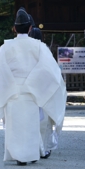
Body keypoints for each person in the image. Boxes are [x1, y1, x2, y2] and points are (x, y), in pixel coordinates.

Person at [0, 8, 67, 165]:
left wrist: (9, 87)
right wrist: (34, 84)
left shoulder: (6, 47)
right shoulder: (38, 46)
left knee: (14, 125)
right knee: (31, 124)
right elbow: (50, 70)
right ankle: (31, 153)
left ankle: (16, 154)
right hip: (32, 92)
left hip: (12, 91)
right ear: (30, 28)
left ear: (14, 28)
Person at [29, 27, 61, 158]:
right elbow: (53, 73)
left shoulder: (27, 52)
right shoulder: (45, 51)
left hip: (29, 90)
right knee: (45, 122)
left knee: (30, 120)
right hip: (45, 90)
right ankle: (45, 148)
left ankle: (32, 147)